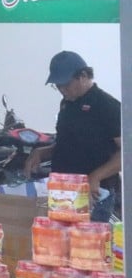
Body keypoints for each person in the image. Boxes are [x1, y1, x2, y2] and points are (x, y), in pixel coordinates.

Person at [25, 51, 121, 222]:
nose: (62, 90)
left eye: (65, 85)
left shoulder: (107, 106)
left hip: (95, 195)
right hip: (63, 193)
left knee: (86, 247)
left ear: (83, 76)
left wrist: (95, 177)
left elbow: (126, 153)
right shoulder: (66, 105)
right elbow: (70, 144)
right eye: (58, 86)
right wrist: (42, 152)